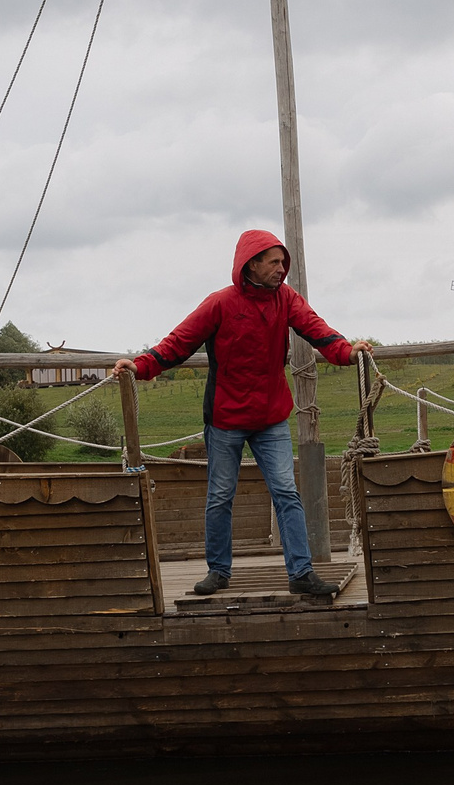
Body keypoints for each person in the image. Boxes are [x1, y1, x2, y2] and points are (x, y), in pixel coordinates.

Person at [112, 229, 371, 600]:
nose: (282, 269)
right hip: (225, 418)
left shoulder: (286, 300)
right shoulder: (220, 303)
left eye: (284, 263)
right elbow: (178, 343)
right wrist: (138, 366)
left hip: (270, 419)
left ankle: (301, 571)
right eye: (274, 262)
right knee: (220, 495)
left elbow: (318, 330)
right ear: (252, 264)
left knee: (286, 492)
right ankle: (218, 571)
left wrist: (348, 351)